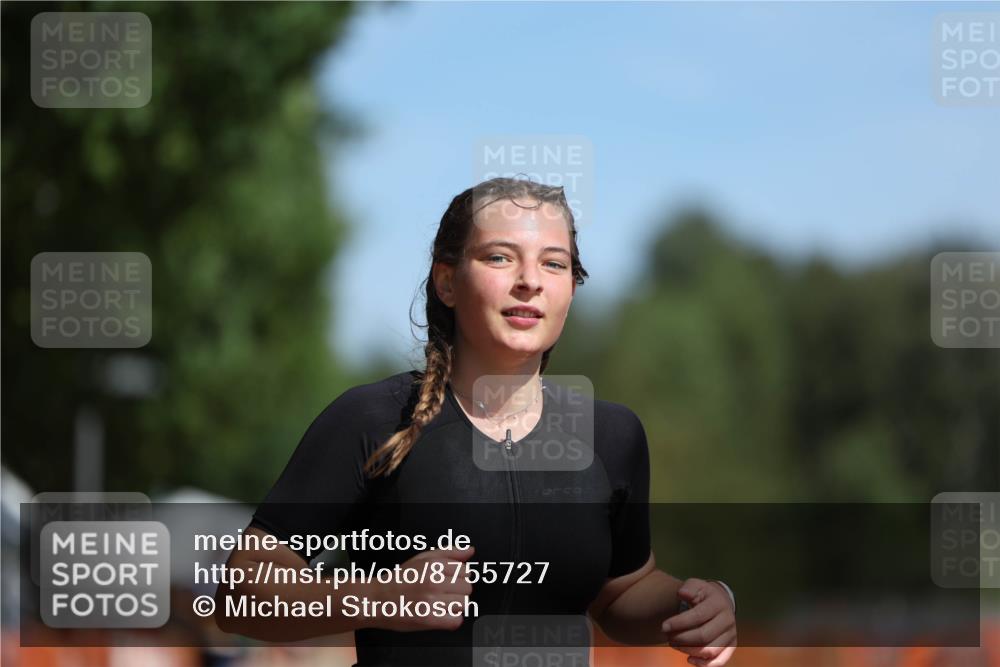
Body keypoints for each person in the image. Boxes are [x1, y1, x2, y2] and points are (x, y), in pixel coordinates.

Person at [214, 177, 737, 666]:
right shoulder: (373, 419)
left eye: (553, 264)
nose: (529, 281)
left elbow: (622, 590)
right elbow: (241, 596)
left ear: (571, 290)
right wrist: (379, 597)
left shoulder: (612, 436)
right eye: (500, 257)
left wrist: (694, 603)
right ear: (447, 281)